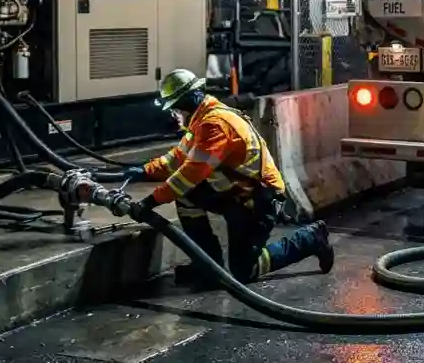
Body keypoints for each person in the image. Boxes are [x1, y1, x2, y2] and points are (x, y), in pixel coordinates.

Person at [125, 68, 335, 288]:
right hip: (235, 195)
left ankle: (311, 238)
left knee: (245, 270)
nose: (175, 115)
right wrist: (145, 170)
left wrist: (150, 202)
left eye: (176, 108)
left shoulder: (214, 125)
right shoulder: (201, 121)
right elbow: (177, 158)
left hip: (258, 200)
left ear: (187, 102)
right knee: (187, 196)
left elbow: (187, 176)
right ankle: (209, 265)